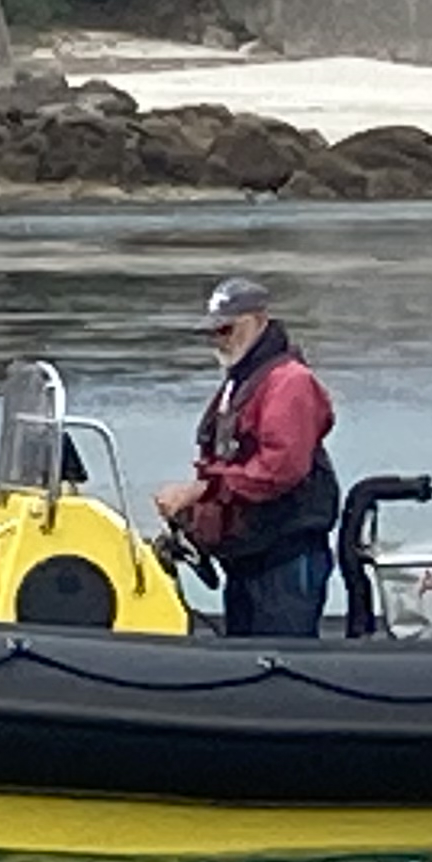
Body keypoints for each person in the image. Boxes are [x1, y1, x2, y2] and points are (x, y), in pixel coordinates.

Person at [153, 272, 342, 640]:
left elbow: (280, 469)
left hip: (285, 557)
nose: (218, 340)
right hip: (247, 554)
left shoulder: (289, 382)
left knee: (282, 656)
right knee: (243, 648)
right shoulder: (240, 382)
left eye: (226, 329)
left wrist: (200, 491)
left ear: (258, 320)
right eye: (213, 332)